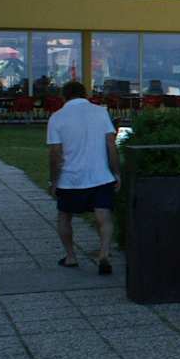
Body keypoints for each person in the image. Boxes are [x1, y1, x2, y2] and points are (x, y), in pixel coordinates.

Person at [46, 81, 121, 274]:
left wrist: (54, 181)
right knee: (104, 216)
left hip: (70, 179)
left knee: (64, 216)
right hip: (100, 176)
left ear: (64, 96)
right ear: (85, 94)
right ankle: (104, 254)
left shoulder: (57, 118)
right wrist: (116, 172)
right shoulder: (101, 112)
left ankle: (70, 256)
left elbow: (55, 154)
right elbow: (111, 145)